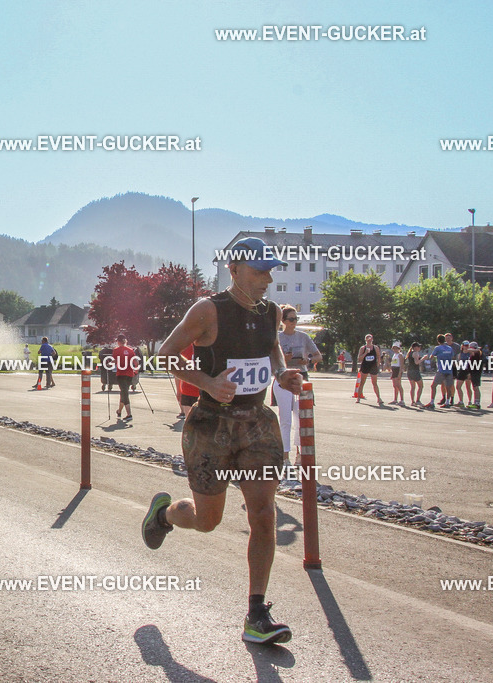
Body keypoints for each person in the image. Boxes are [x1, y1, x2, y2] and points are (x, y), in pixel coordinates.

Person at [142, 236, 299, 646]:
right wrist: (207, 382)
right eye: (259, 270)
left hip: (258, 426)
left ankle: (256, 613)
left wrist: (282, 374)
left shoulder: (271, 313)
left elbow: (273, 351)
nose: (267, 278)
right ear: (234, 269)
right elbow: (165, 354)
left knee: (263, 514)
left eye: (270, 270)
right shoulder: (209, 310)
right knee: (207, 521)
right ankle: (164, 514)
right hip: (211, 426)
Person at [274, 305, 319, 465]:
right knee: (285, 419)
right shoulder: (277, 337)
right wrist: (284, 359)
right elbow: (272, 360)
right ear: (283, 321)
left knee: (301, 418)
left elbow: (318, 356)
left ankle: (300, 454)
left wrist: (308, 360)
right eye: (291, 319)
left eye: (296, 319)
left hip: (301, 376)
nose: (294, 322)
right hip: (283, 378)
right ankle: (285, 456)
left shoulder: (303, 336)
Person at [425, 334, 455, 409]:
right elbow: (453, 357)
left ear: (438, 341)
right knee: (448, 386)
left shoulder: (437, 348)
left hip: (441, 369)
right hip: (449, 369)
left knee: (433, 386)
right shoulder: (449, 348)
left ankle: (432, 402)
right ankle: (447, 402)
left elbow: (431, 357)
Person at [112, 334, 137, 421]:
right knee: (124, 392)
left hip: (121, 374)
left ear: (118, 342)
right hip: (129, 374)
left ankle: (129, 414)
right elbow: (135, 361)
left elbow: (115, 360)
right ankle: (119, 411)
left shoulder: (116, 350)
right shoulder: (130, 350)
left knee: (125, 393)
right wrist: (136, 370)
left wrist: (108, 364)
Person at [356, 334, 383, 405]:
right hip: (365, 366)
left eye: (370, 340)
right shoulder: (363, 348)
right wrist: (365, 353)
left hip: (373, 366)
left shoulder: (375, 347)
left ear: (372, 340)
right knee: (362, 382)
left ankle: (379, 398)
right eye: (368, 340)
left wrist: (378, 364)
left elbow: (378, 356)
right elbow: (359, 359)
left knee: (374, 383)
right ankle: (358, 398)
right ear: (365, 340)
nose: (369, 341)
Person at [175, 344, 199, 418]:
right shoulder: (209, 345)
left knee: (189, 422)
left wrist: (179, 391)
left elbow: (178, 373)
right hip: (202, 390)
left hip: (188, 390)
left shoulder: (184, 347)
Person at [443, 332, 461, 406]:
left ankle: (452, 398)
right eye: (446, 338)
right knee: (443, 383)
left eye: (449, 338)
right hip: (444, 366)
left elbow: (458, 355)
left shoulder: (456, 346)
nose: (448, 339)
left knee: (451, 384)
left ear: (452, 338)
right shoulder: (443, 345)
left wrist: (457, 363)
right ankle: (444, 398)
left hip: (453, 366)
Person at [465, 341, 483, 409]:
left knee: (476, 388)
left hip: (476, 372)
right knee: (474, 387)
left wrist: (475, 349)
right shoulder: (472, 355)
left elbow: (469, 350)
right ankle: (476, 402)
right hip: (473, 372)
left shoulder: (477, 354)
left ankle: (477, 403)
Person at [389, 342, 405, 406]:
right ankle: (395, 399)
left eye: (396, 348)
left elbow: (401, 365)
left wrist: (399, 373)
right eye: (394, 348)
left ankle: (402, 400)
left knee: (399, 385)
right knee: (395, 385)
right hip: (394, 370)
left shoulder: (400, 355)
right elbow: (393, 363)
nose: (395, 349)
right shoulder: (394, 355)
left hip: (398, 370)